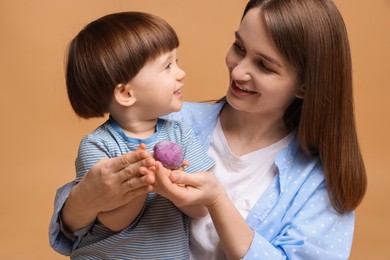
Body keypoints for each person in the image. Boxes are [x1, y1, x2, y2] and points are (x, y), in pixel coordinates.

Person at [49, 0, 367, 259]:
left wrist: (217, 201)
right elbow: (76, 233)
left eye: (264, 65)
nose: (239, 70)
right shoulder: (168, 120)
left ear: (305, 85)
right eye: (239, 47)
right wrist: (85, 200)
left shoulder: (320, 181)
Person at [54, 11, 215, 259]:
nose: (180, 73)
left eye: (176, 62)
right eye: (168, 66)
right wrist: (142, 184)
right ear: (127, 94)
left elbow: (201, 207)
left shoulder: (180, 133)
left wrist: (172, 187)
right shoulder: (98, 145)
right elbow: (113, 221)